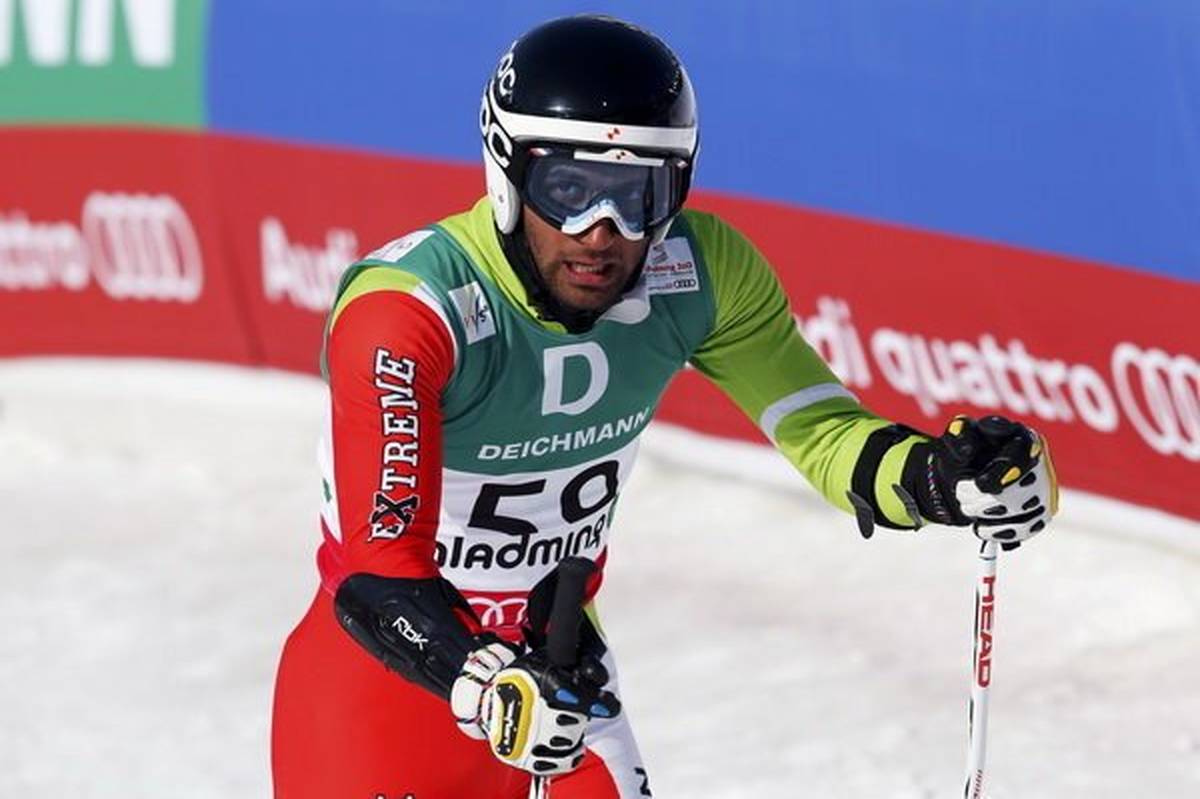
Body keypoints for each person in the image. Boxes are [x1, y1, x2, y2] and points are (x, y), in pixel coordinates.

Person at [270, 14, 1059, 799]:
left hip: (561, 681)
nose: (601, 233)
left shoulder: (700, 272)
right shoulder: (410, 310)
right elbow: (380, 573)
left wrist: (939, 477)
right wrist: (483, 684)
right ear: (506, 175)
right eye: (568, 190)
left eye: (636, 194)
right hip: (391, 693)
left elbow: (825, 434)